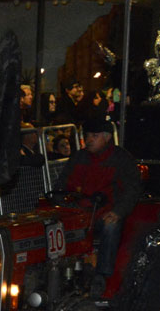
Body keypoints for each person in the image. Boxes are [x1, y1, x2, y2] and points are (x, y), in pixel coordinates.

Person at [56, 115, 141, 289]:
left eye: (94, 136)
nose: (88, 140)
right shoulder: (79, 158)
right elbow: (61, 186)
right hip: (77, 212)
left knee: (111, 226)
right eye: (87, 136)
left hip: (104, 212)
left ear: (107, 137)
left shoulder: (121, 159)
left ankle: (103, 275)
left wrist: (118, 212)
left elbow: (132, 190)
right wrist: (61, 205)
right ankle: (59, 274)